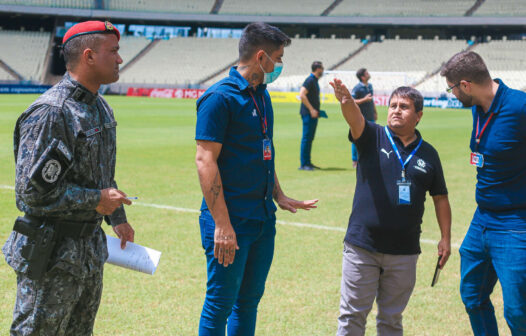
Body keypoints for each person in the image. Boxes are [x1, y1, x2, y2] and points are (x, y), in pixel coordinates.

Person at [2, 21, 135, 335]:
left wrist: (116, 215)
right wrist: (96, 200)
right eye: (113, 51)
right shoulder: (53, 112)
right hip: (51, 254)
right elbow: (30, 195)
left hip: (87, 251)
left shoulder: (100, 108)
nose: (119, 59)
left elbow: (102, 174)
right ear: (89, 56)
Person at [195, 22, 318, 336]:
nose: (279, 65)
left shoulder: (262, 95)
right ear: (261, 57)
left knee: (248, 302)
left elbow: (263, 153)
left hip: (263, 219)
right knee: (219, 305)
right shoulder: (219, 97)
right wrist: (222, 225)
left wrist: (279, 194)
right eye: (278, 58)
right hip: (231, 220)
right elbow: (205, 161)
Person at [330, 79, 451, 336]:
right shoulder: (372, 135)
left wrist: (446, 238)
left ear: (418, 115)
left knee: (391, 320)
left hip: (404, 252)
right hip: (362, 248)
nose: (396, 110)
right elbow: (354, 120)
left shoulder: (428, 154)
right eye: (393, 105)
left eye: (404, 106)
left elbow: (440, 197)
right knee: (352, 316)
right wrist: (347, 101)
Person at [441, 51, 526, 335]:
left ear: (465, 85)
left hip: (516, 223)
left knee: (518, 312)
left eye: (452, 87)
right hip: (482, 220)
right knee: (473, 297)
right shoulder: (478, 107)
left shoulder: (520, 107)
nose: (451, 93)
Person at [298, 61, 324, 171]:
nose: (323, 70)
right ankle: (304, 164)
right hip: (308, 114)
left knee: (309, 139)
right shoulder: (310, 80)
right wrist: (312, 109)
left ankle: (308, 162)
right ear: (317, 69)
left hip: (312, 114)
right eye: (322, 68)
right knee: (306, 138)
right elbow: (302, 94)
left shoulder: (314, 80)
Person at [351, 68, 377, 168]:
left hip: (370, 116)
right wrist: (364, 99)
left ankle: (368, 159)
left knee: (371, 138)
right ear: (362, 77)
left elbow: (372, 100)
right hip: (361, 117)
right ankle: (355, 160)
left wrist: (375, 111)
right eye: (366, 73)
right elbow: (352, 101)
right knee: (357, 138)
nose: (368, 74)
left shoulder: (370, 86)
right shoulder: (357, 88)